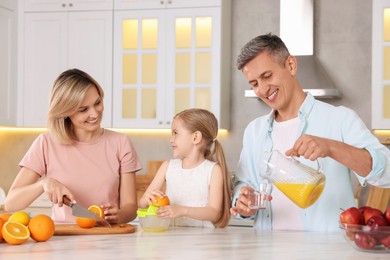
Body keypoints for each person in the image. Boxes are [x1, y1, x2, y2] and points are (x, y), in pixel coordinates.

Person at [230, 33, 390, 232]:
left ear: (290, 65)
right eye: (254, 84)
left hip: (326, 251)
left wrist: (331, 147)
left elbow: (387, 173)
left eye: (267, 76)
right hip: (267, 250)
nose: (262, 89)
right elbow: (243, 185)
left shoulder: (340, 119)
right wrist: (243, 201)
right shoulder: (254, 131)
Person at [4, 68, 142, 224]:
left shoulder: (121, 143)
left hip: (107, 236)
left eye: (97, 103)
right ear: (65, 112)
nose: (95, 114)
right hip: (63, 240)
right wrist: (45, 184)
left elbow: (130, 207)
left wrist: (121, 216)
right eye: (83, 109)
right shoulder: (46, 143)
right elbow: (11, 203)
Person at [139, 108, 232, 228]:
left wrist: (182, 210)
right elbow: (141, 204)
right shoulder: (167, 167)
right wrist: (148, 199)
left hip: (203, 240)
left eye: (175, 133)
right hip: (172, 237)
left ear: (195, 137)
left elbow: (214, 213)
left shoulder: (213, 170)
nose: (171, 139)